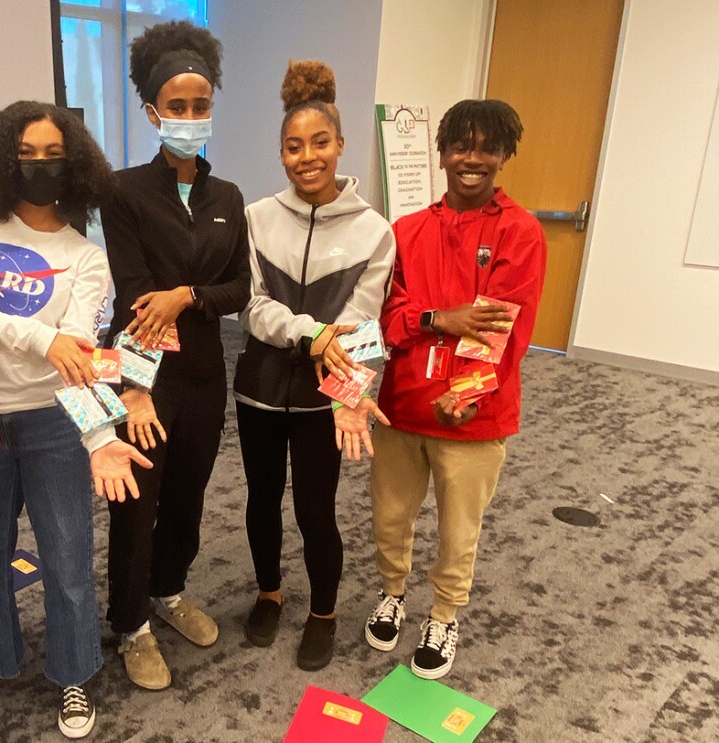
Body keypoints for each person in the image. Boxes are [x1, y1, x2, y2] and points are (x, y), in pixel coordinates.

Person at [0, 101, 151, 739]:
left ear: (74, 164)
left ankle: (75, 672)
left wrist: (99, 436)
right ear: (1, 160)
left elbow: (77, 351)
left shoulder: (85, 256)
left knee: (66, 559)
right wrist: (39, 337)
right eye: (26, 155)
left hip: (54, 424)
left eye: (52, 155)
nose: (39, 166)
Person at [363, 99, 547, 679]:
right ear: (442, 155)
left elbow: (502, 324)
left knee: (457, 526)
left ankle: (444, 613)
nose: (473, 158)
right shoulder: (407, 230)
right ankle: (392, 592)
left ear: (504, 155)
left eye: (486, 147)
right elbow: (390, 315)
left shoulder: (520, 232)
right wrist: (437, 318)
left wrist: (466, 394)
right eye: (460, 146)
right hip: (403, 405)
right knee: (390, 516)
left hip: (474, 415)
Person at [100, 19, 251, 690]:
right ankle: (129, 622)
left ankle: (169, 587)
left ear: (212, 106)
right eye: (177, 107)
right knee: (138, 502)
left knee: (188, 494)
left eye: (201, 106)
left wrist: (188, 293)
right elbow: (135, 296)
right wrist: (175, 299)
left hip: (203, 375)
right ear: (153, 111)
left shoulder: (228, 197)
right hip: (143, 377)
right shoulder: (124, 192)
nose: (190, 117)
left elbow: (241, 288)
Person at [233, 60, 395, 671]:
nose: (308, 157)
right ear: (280, 153)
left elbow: (363, 325)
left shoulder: (374, 231)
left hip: (326, 400)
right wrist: (311, 332)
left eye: (319, 143)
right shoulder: (256, 217)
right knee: (261, 499)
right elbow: (250, 307)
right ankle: (269, 592)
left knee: (315, 509)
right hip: (258, 391)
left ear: (340, 145)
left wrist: (348, 383)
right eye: (294, 147)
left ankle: (323, 613)